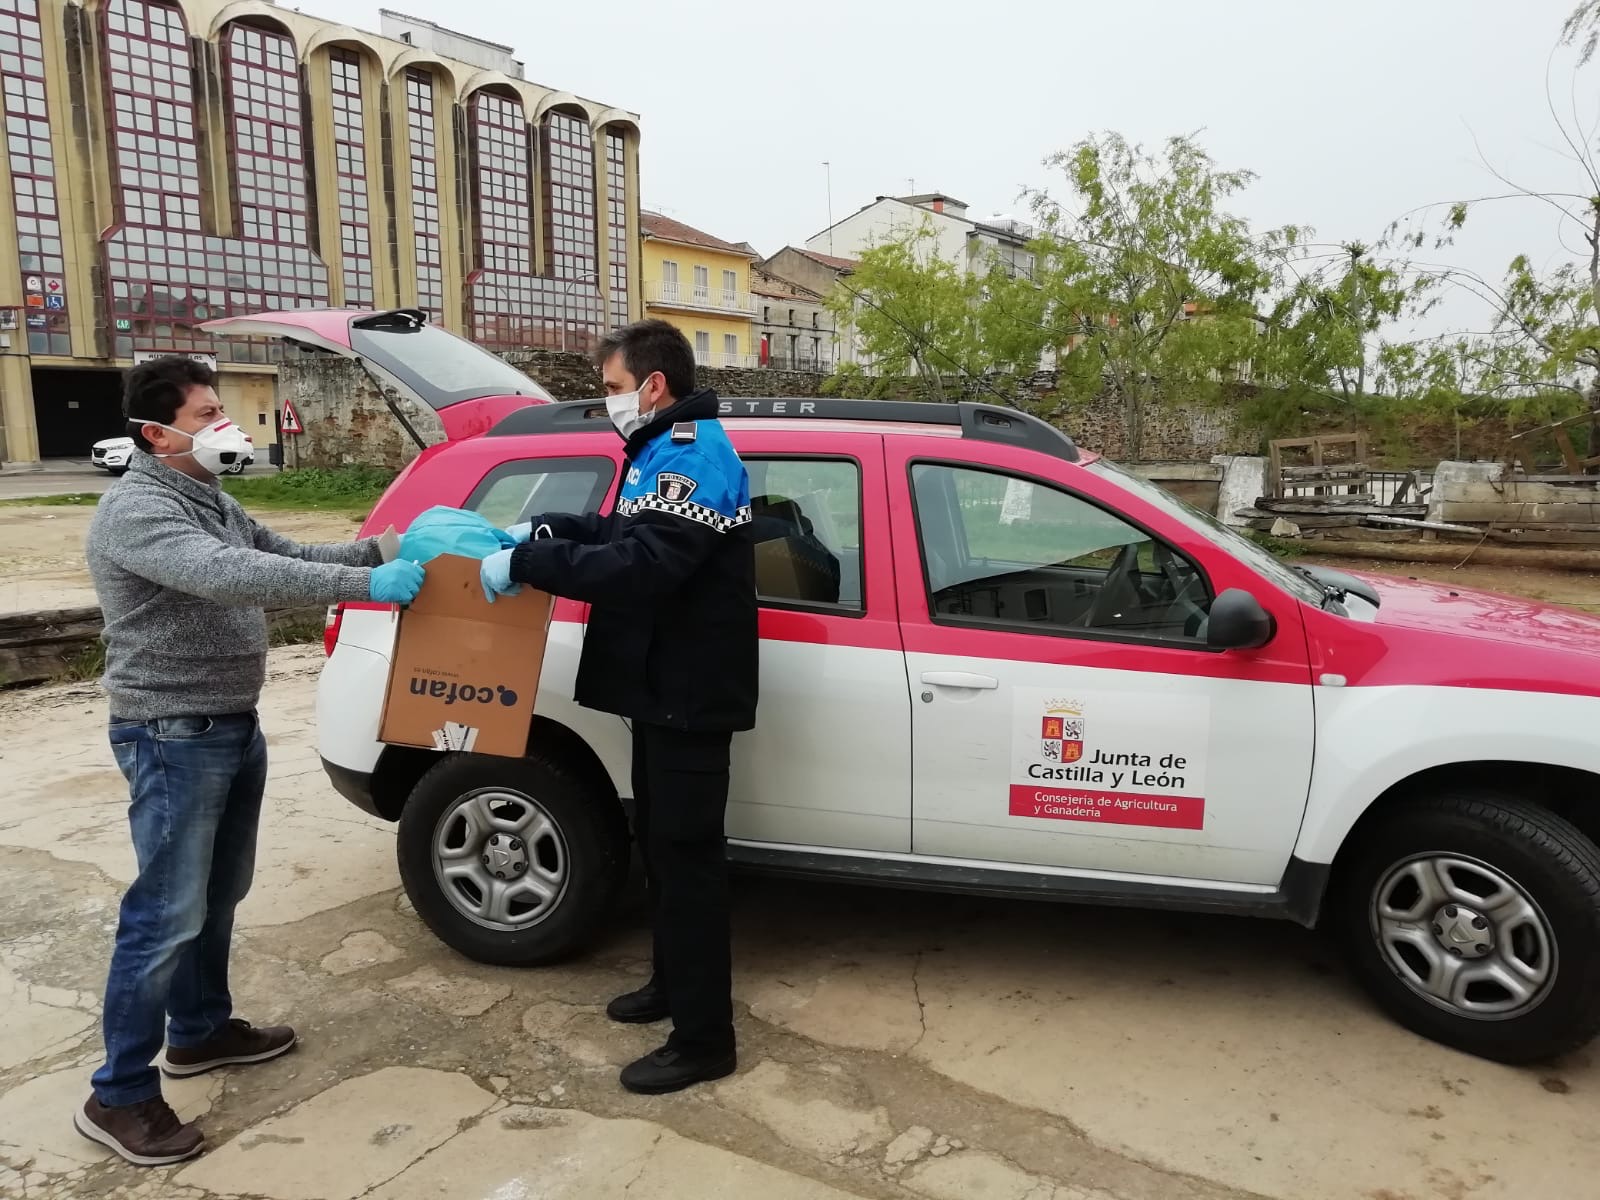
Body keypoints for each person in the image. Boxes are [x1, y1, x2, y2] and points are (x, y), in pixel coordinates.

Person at [77, 356, 426, 1166]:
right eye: (205, 416)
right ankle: (118, 1093)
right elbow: (235, 575)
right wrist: (372, 583)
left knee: (216, 894)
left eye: (218, 409)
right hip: (169, 732)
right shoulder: (137, 510)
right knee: (164, 914)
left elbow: (286, 546)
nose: (222, 426)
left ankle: (198, 1032)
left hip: (227, 724)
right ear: (156, 433)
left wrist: (381, 546)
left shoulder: (211, 499)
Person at [480, 319, 758, 1095]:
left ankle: (705, 1039)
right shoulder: (657, 450)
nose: (607, 402)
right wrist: (541, 528)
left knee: (690, 863)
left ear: (653, 385)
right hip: (658, 691)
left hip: (691, 697)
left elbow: (647, 564)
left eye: (610, 387)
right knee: (662, 853)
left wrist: (530, 562)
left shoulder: (694, 456)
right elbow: (616, 529)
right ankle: (671, 989)